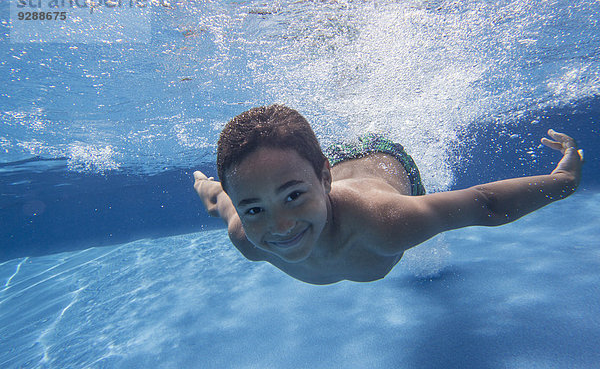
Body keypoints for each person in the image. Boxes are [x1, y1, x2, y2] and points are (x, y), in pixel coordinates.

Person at [193, 105, 583, 285]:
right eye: (255, 207)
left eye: (293, 196)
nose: (278, 225)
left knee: (429, 239)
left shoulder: (386, 222)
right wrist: (204, 184)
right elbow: (217, 199)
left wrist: (564, 181)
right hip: (332, 165)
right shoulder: (247, 237)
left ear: (323, 179)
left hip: (386, 160)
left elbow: (486, 204)